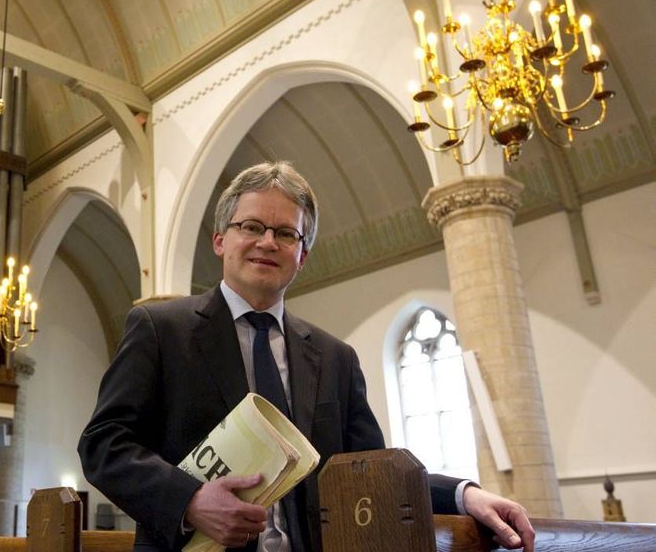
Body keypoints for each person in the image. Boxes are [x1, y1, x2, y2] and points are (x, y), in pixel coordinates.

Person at [78, 161, 535, 552]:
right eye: (251, 227)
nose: (267, 242)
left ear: (303, 255)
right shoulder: (161, 329)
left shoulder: (336, 358)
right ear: (221, 240)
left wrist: (463, 495)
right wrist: (190, 501)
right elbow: (103, 443)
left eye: (285, 233)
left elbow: (370, 467)